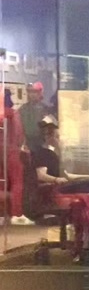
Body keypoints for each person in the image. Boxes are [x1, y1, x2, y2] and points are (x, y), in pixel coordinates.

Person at [32, 116, 89, 260]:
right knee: (81, 202)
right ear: (48, 137)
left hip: (58, 189)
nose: (59, 140)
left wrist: (87, 176)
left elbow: (66, 175)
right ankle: (80, 244)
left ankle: (85, 241)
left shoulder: (54, 154)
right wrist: (56, 180)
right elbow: (40, 175)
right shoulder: (43, 153)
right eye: (57, 137)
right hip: (50, 192)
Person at [1, 89, 34, 225]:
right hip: (11, 150)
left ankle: (2, 214)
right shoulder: (13, 113)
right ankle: (16, 214)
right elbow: (19, 135)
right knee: (17, 182)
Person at [19, 82, 48, 153]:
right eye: (30, 92)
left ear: (40, 93)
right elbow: (19, 128)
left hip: (42, 145)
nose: (32, 94)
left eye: (35, 92)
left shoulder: (46, 109)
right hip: (27, 146)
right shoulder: (23, 109)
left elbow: (50, 132)